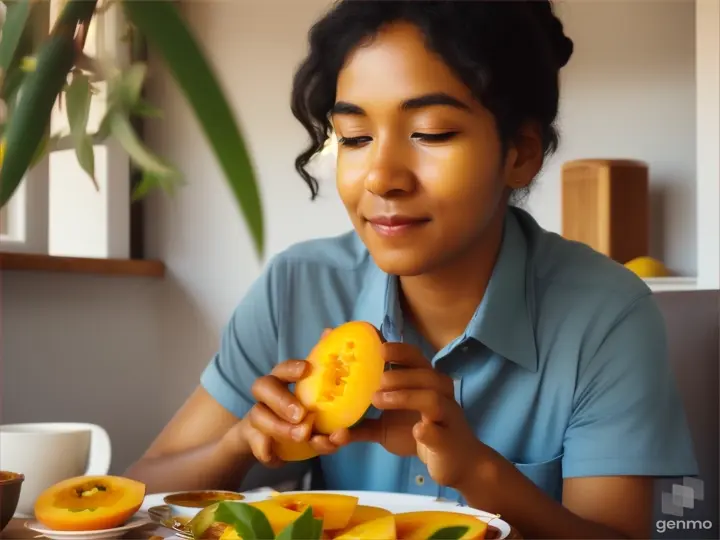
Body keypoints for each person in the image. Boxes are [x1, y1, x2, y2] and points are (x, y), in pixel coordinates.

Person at [125, 0, 698, 537]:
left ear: (519, 153)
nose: (381, 177)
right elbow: (135, 494)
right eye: (354, 137)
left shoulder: (606, 315)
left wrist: (476, 470)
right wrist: (242, 442)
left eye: (432, 133)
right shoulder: (297, 287)